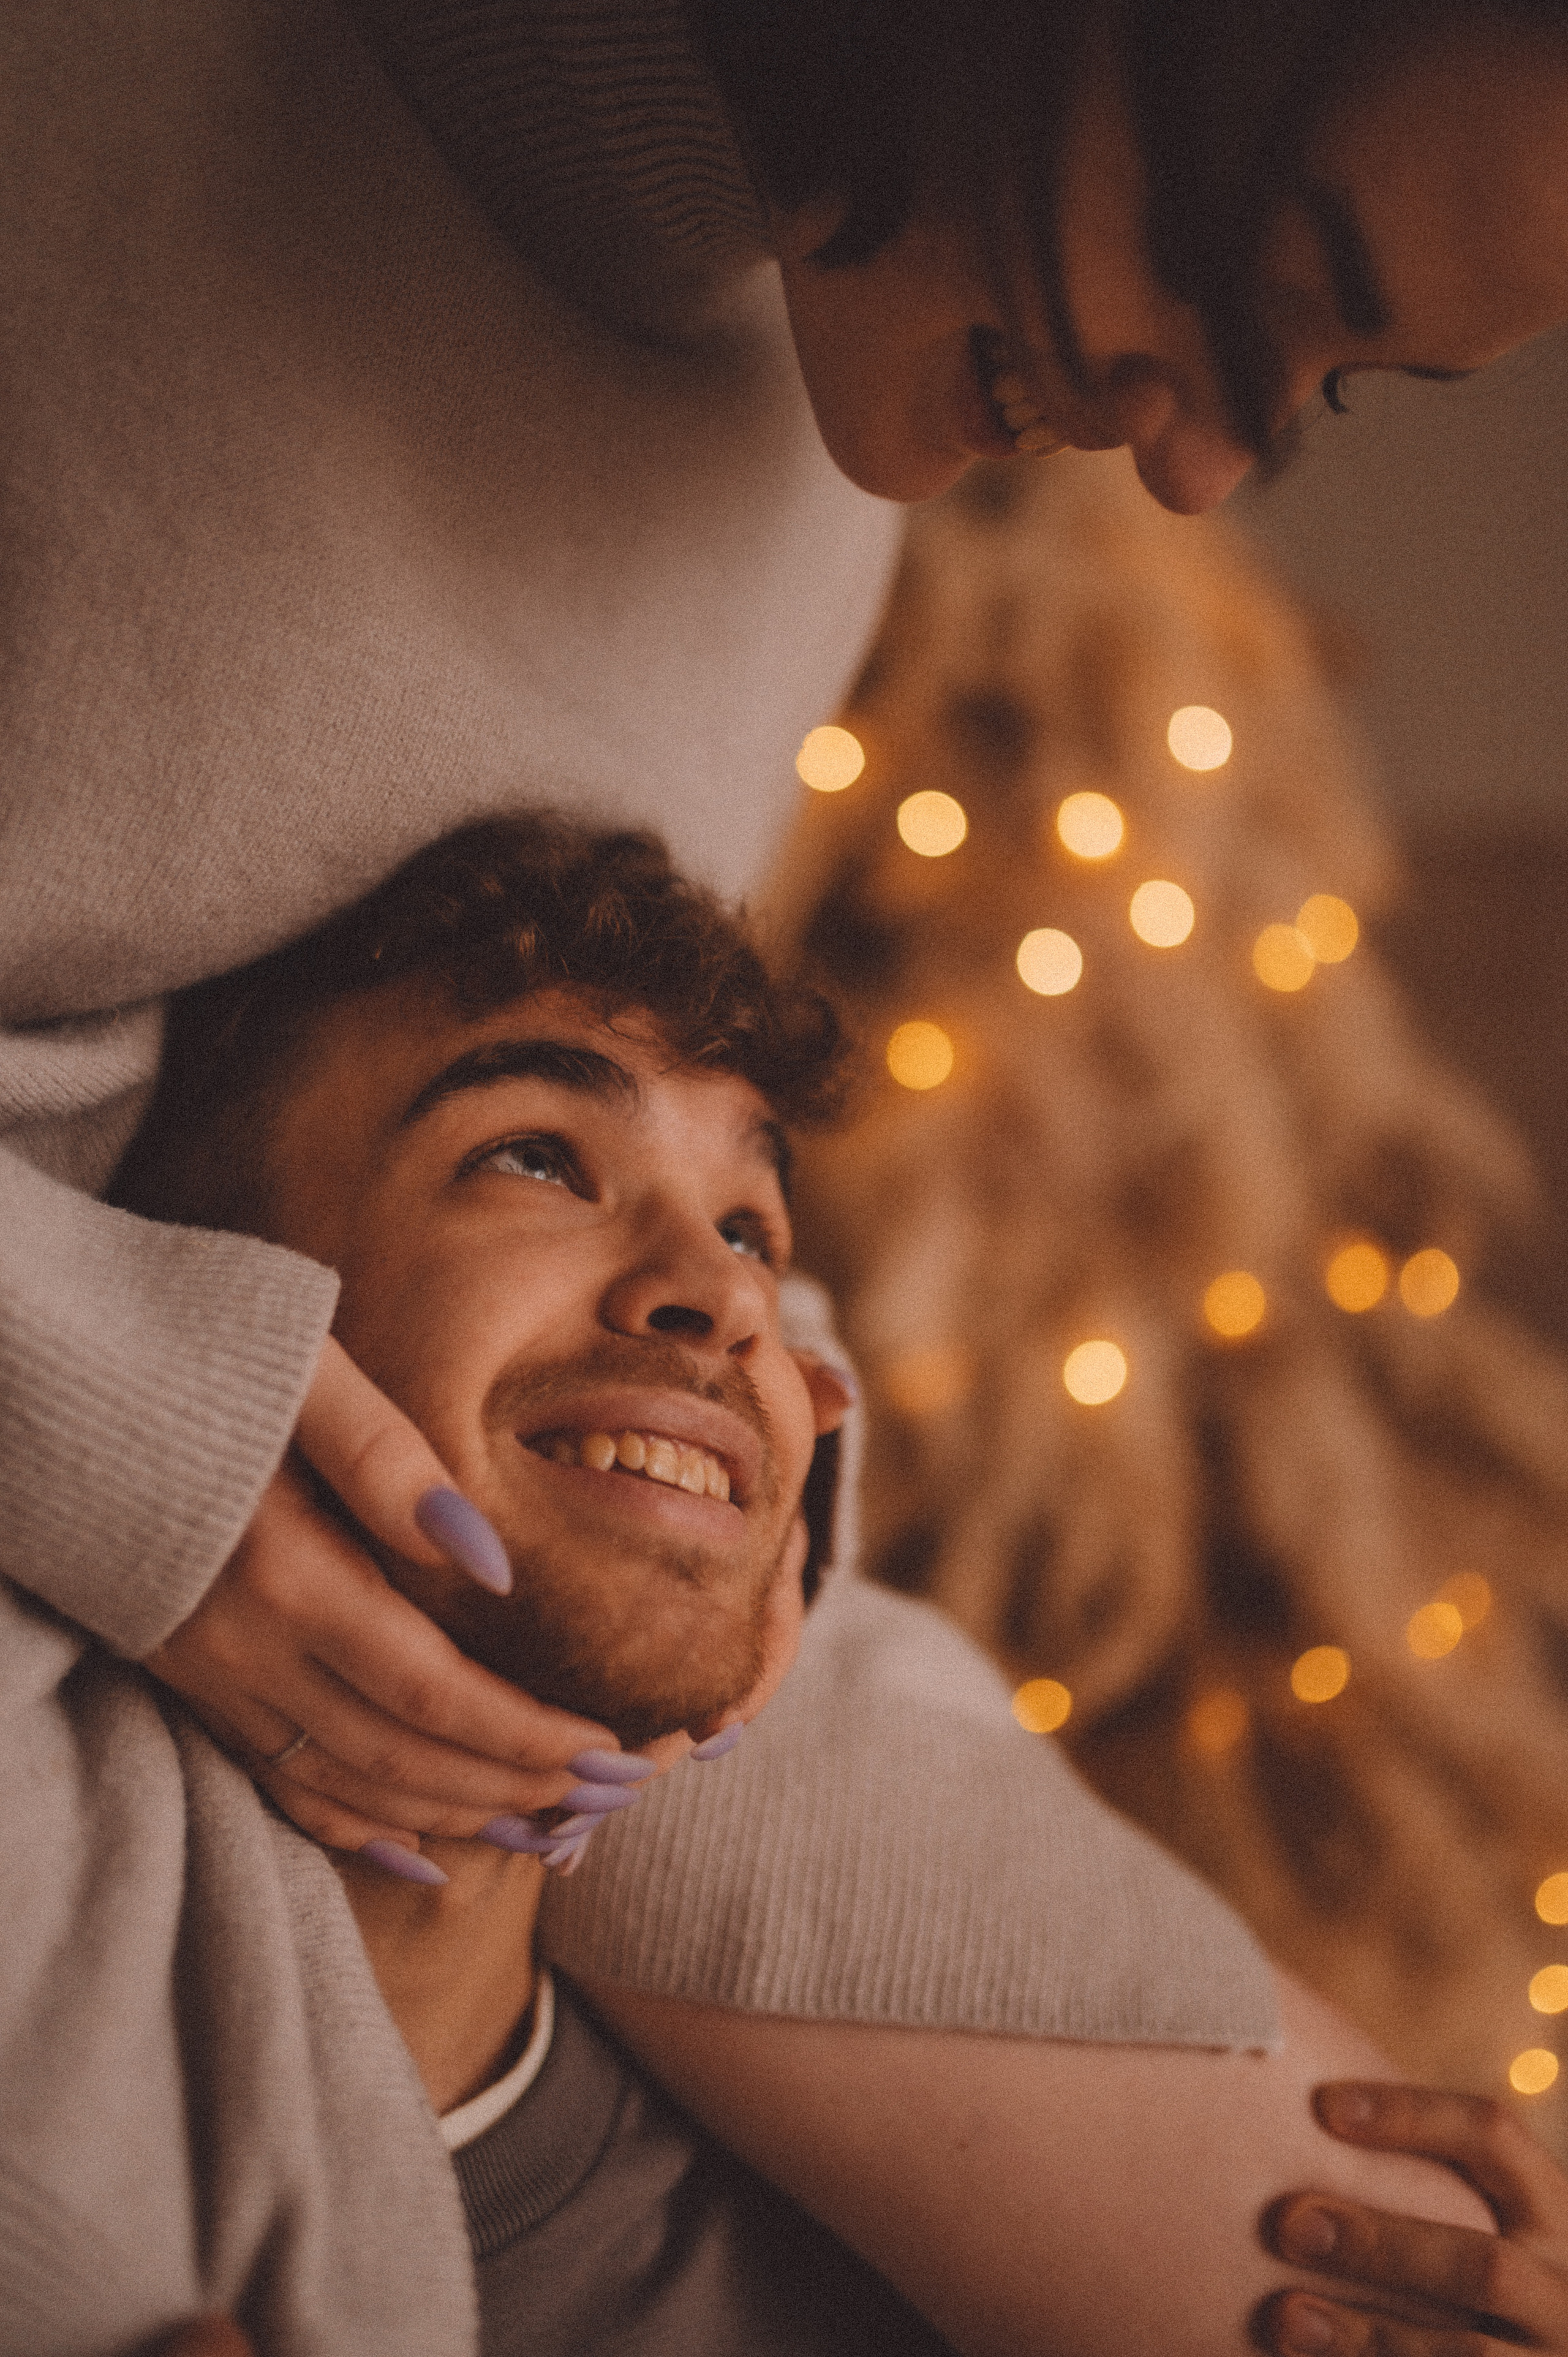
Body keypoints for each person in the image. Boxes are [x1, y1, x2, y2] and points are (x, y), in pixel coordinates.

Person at [4, 1, 1568, 2342]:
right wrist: (106, 1415)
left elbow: (614, 1076)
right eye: (1269, 268)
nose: (1209, 468)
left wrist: (729, 1456)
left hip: (451, 1543)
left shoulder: (812, 425)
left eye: (1332, 384)